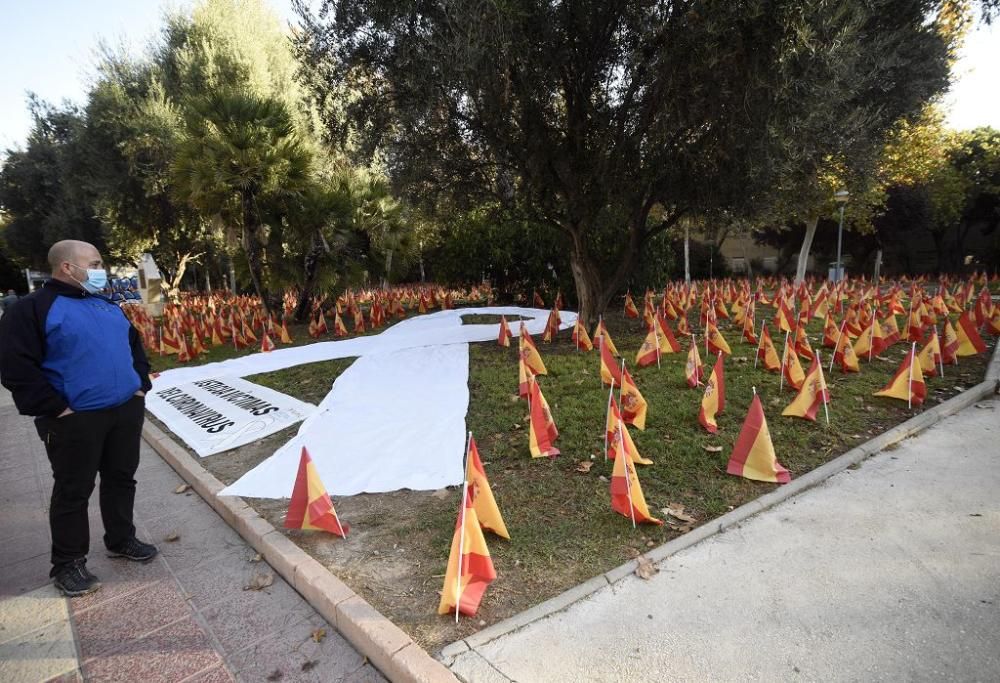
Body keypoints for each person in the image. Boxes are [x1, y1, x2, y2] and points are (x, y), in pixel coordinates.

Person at [0, 240, 158, 597]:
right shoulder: (32, 310)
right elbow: (15, 367)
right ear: (68, 268)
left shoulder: (105, 303)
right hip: (73, 420)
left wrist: (140, 385)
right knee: (74, 491)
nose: (102, 269)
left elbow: (133, 345)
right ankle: (68, 563)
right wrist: (57, 409)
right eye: (96, 262)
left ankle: (121, 539)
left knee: (121, 478)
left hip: (124, 410)